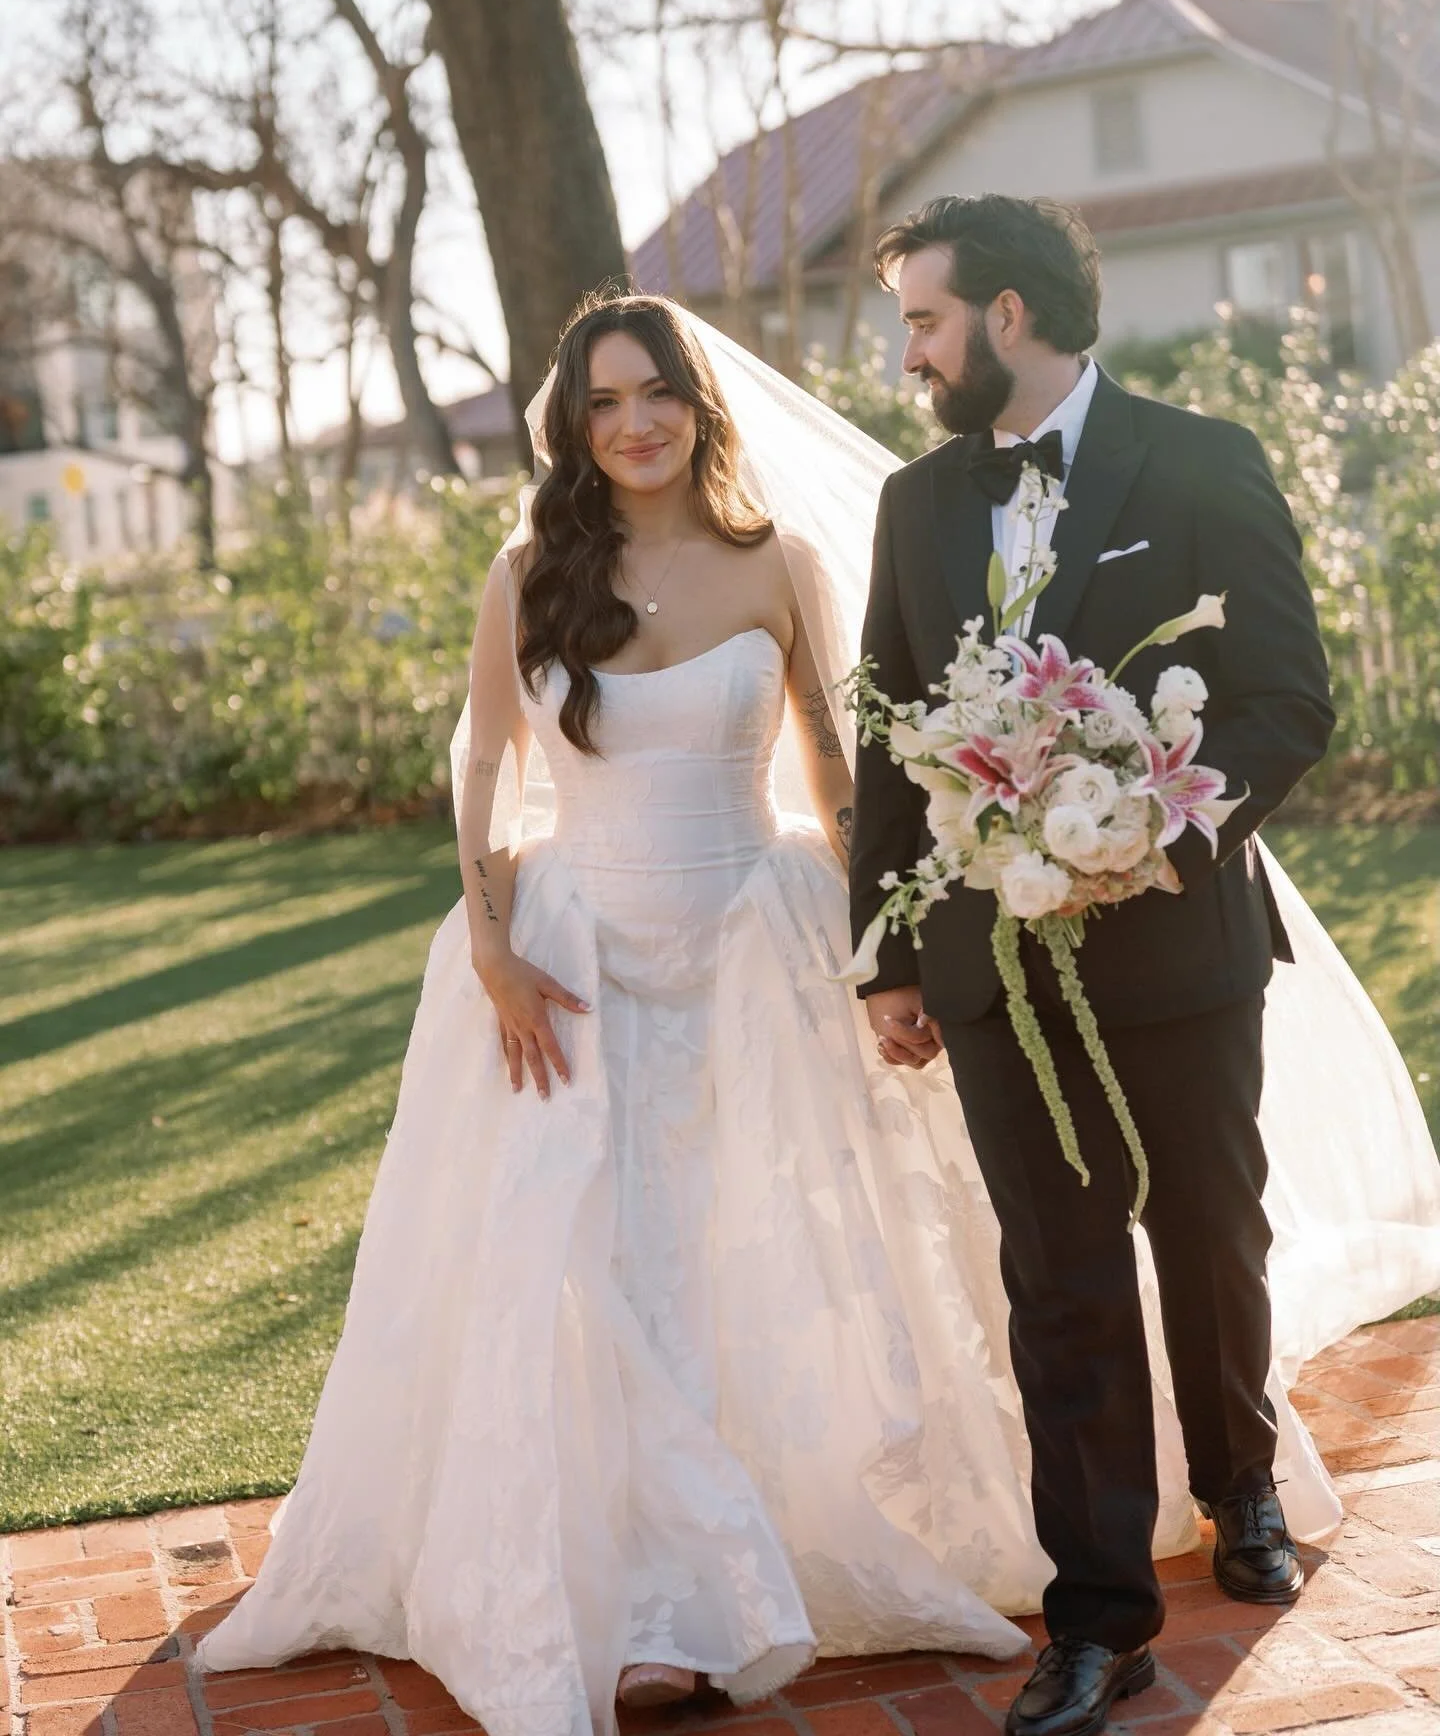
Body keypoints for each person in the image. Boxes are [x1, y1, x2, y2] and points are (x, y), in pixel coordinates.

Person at [198, 285, 1440, 1736]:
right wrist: (490, 947)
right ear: (571, 425)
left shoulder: (777, 560)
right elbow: (484, 767)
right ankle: (658, 1603)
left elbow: (852, 772)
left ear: (696, 401)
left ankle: (784, 1549)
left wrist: (884, 953)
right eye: (601, 402)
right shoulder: (527, 568)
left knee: (773, 1256)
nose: (633, 422)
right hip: (576, 959)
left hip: (752, 940)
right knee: (606, 1263)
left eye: (653, 390)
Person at [848, 191, 1335, 1736]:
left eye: (924, 319)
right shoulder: (914, 507)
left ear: (1005, 315)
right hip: (995, 965)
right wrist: (888, 957)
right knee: (1055, 1280)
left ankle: (1242, 1484)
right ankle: (1101, 1617)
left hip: (1176, 943)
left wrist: (1153, 827)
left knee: (1208, 1228)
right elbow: (885, 741)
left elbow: (1284, 699)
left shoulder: (1200, 461)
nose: (911, 353)